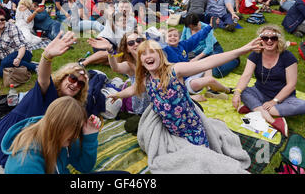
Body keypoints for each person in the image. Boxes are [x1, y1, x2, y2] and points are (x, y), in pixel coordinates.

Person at [107, 37, 262, 147]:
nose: (148, 56)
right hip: (170, 130)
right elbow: (133, 89)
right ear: (141, 61)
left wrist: (242, 50)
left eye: (152, 52)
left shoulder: (174, 70)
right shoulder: (146, 79)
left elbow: (207, 62)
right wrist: (118, 94)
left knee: (201, 157)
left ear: (160, 55)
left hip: (191, 127)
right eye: (143, 54)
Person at [0, 31, 89, 173]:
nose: (75, 84)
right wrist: (47, 56)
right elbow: (43, 78)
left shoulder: (68, 106)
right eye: (72, 78)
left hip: (22, 147)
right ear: (63, 77)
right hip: (1, 154)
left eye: (81, 84)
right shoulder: (47, 92)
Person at [232, 25, 305, 137]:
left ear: (278, 40)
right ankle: (273, 120)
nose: (269, 41)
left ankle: (254, 108)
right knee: (243, 91)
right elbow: (246, 76)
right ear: (260, 40)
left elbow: (291, 85)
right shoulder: (255, 54)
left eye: (273, 38)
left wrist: (274, 101)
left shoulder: (287, 56)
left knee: (302, 106)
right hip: (259, 92)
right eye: (265, 38)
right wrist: (237, 92)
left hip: (283, 98)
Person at [2, 96, 101, 174]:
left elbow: (84, 167)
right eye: (75, 129)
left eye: (79, 129)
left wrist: (90, 137)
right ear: (58, 126)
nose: (76, 135)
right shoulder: (25, 164)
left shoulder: (64, 138)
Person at [181, 13, 240, 79]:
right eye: (189, 28)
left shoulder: (206, 27)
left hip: (212, 50)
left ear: (197, 23)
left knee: (216, 72)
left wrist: (196, 58)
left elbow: (209, 48)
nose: (191, 29)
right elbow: (182, 41)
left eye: (193, 27)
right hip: (196, 53)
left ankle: (234, 59)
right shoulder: (187, 27)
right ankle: (218, 59)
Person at [0, 7, 38, 78]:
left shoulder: (12, 28)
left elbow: (22, 46)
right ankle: (23, 65)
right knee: (2, 71)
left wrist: (18, 58)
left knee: (2, 69)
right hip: (5, 56)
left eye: (2, 19)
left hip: (22, 53)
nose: (0, 22)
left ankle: (35, 67)